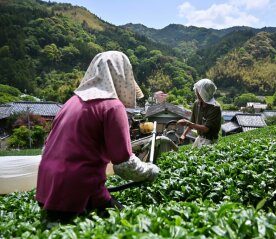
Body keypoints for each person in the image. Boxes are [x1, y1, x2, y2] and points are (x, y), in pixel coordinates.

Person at [36, 51, 159, 222]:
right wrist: (149, 171)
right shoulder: (112, 107)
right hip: (77, 191)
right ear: (121, 75)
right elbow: (124, 163)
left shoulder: (71, 102)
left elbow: (47, 148)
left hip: (46, 188)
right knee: (129, 224)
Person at [177, 79, 222, 148]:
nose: (196, 92)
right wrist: (184, 135)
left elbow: (206, 129)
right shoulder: (197, 103)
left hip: (210, 141)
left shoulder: (215, 108)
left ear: (204, 92)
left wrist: (187, 123)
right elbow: (192, 122)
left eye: (198, 90)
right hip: (199, 138)